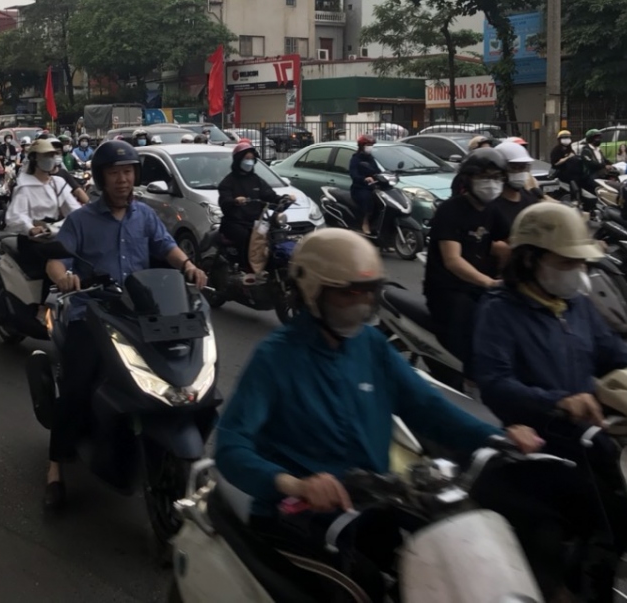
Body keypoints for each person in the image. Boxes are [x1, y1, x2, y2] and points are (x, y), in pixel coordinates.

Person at [215, 228, 542, 602]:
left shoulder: (370, 345)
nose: (359, 303)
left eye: (366, 293)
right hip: (296, 519)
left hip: (369, 503)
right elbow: (231, 446)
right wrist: (294, 485)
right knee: (361, 588)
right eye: (347, 293)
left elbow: (428, 408)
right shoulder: (275, 358)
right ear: (312, 292)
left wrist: (497, 437)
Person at [471, 202, 627, 600]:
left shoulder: (576, 305)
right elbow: (494, 384)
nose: (574, 271)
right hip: (539, 445)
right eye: (566, 262)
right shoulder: (499, 311)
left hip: (593, 435)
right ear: (531, 259)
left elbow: (613, 352)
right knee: (593, 512)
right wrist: (560, 401)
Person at [42, 140, 208, 510]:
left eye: (128, 172)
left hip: (139, 312)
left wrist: (187, 266)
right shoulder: (81, 219)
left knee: (178, 366)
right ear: (101, 178)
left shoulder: (144, 215)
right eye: (115, 173)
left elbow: (166, 246)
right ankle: (56, 467)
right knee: (76, 384)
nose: (122, 180)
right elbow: (56, 260)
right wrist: (64, 277)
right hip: (94, 314)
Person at [424, 147, 507, 378]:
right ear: (468, 179)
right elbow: (453, 261)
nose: (491, 183)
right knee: (472, 330)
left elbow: (512, 242)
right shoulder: (450, 210)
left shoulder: (493, 210)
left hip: (480, 288)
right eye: (484, 177)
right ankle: (470, 379)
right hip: (450, 290)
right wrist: (490, 283)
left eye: (496, 177)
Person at [217, 140, 288, 272]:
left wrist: (284, 199)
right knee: (245, 236)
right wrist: (235, 201)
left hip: (256, 222)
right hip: (235, 223)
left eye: (251, 159)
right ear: (238, 160)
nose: (249, 161)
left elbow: (270, 196)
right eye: (246, 159)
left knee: (274, 235)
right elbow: (224, 202)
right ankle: (246, 269)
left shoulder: (256, 180)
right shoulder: (228, 182)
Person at [4, 139, 81, 239]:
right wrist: (30, 228)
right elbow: (16, 216)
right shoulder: (24, 185)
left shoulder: (57, 183)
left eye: (52, 155)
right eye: (46, 155)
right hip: (32, 239)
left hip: (54, 233)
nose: (50, 159)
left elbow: (73, 209)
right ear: (34, 158)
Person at [489, 140, 543, 238]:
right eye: (515, 167)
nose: (520, 172)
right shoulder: (490, 204)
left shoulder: (530, 200)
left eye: (523, 167)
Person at [348, 134, 380, 236]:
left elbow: (377, 171)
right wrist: (364, 179)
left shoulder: (370, 158)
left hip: (372, 187)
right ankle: (365, 222)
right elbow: (353, 174)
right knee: (368, 199)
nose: (370, 147)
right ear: (362, 146)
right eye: (368, 145)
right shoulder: (356, 159)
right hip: (359, 188)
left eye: (371, 145)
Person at [578, 129, 610, 213]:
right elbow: (590, 164)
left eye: (599, 137)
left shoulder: (598, 150)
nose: (598, 140)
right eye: (596, 138)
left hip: (601, 173)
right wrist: (604, 166)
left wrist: (612, 165)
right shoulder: (586, 150)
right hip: (591, 175)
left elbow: (605, 160)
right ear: (590, 139)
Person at [549, 129, 581, 194]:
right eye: (564, 138)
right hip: (561, 173)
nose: (566, 139)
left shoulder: (570, 149)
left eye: (568, 137)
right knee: (574, 180)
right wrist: (567, 158)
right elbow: (556, 163)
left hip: (572, 171)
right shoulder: (557, 150)